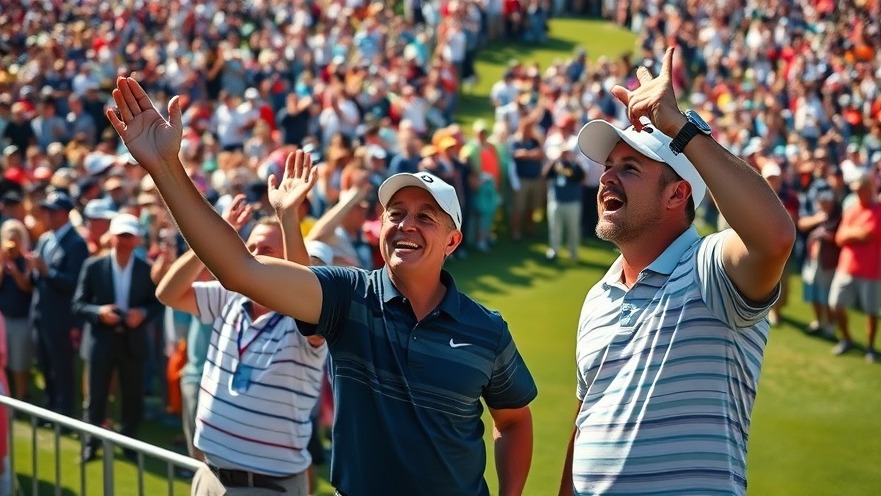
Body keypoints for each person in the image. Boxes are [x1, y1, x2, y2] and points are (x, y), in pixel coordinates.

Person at [107, 77, 537, 496]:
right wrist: (165, 167)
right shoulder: (349, 296)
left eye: (425, 217)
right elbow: (239, 270)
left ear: (453, 241)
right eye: (396, 213)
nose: (406, 225)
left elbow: (514, 420)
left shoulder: (487, 329)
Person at [558, 48, 795, 495]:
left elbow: (775, 238)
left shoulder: (709, 268)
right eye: (608, 167)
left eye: (630, 168)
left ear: (676, 195)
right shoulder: (598, 295)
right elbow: (587, 414)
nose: (607, 178)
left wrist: (681, 129)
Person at [157, 157, 328, 495]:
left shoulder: (301, 320)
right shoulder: (229, 298)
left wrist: (288, 216)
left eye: (266, 249)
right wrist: (215, 240)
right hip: (210, 476)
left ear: (285, 260)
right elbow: (168, 293)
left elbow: (306, 290)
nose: (254, 255)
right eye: (250, 247)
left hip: (266, 487)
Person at [72, 213, 164, 462]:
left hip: (132, 341)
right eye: (120, 235)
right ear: (111, 237)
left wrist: (142, 313)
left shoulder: (146, 270)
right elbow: (78, 304)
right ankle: (91, 443)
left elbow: (157, 304)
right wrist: (99, 313)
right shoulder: (93, 266)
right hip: (101, 340)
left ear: (136, 240)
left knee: (132, 397)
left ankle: (129, 443)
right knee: (96, 396)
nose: (124, 241)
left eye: (129, 236)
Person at [30, 190, 89, 420]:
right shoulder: (45, 239)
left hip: (61, 317)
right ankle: (50, 406)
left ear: (65, 214)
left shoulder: (77, 243)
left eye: (53, 212)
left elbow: (75, 282)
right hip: (41, 313)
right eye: (47, 211)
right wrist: (34, 272)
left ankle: (64, 413)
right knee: (45, 363)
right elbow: (38, 277)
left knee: (62, 368)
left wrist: (47, 272)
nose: (49, 216)